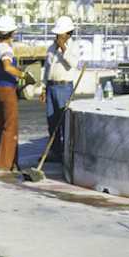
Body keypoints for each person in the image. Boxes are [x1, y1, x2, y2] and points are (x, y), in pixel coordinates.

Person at [0, 16, 34, 171]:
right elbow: (8, 67)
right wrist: (23, 75)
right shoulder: (6, 48)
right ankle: (6, 164)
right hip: (7, 89)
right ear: (12, 33)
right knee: (10, 127)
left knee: (1, 125)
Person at [39, 16, 81, 162]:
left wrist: (64, 48)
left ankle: (65, 153)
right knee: (52, 121)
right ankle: (55, 151)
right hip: (51, 86)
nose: (57, 36)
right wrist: (44, 87)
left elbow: (74, 64)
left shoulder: (74, 46)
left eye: (60, 34)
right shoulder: (51, 47)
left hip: (64, 87)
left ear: (68, 33)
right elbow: (47, 69)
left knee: (64, 122)